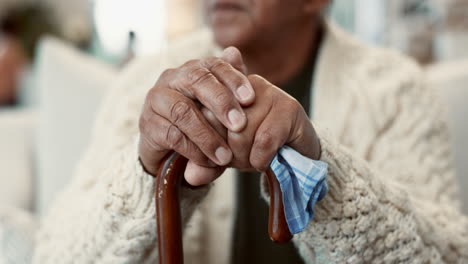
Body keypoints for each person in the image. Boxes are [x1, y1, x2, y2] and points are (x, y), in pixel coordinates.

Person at [34, 0, 468, 263]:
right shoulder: (144, 86)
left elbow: (447, 256)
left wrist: (326, 180)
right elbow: (55, 257)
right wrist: (143, 173)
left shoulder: (397, 91)